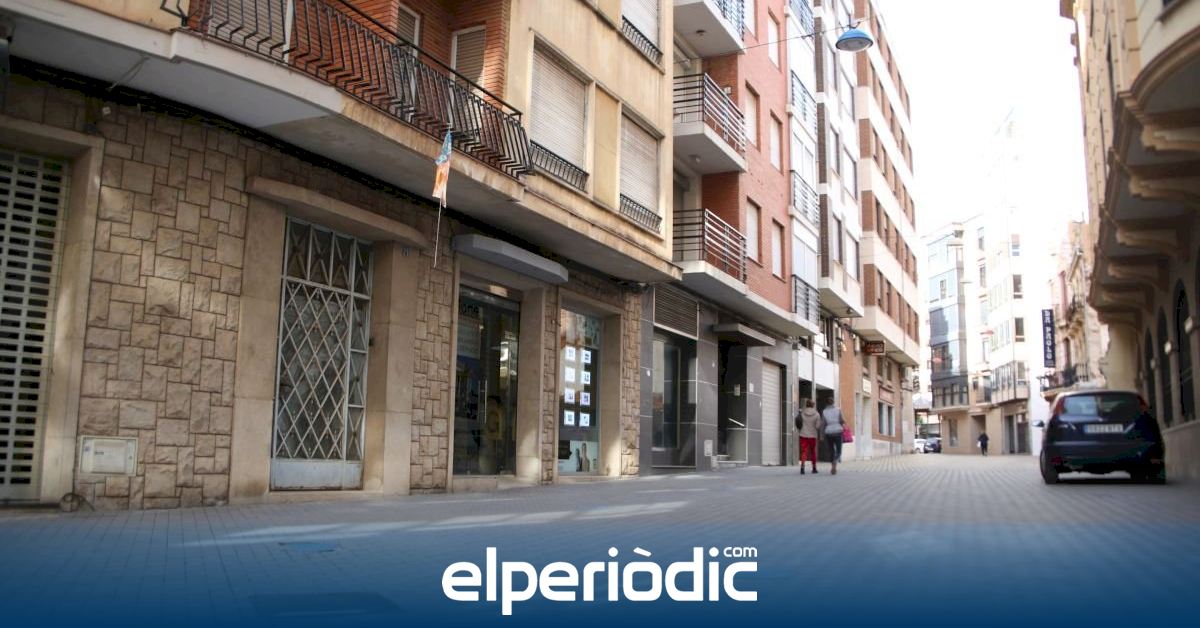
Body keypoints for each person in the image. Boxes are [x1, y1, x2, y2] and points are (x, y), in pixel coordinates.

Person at [795, 399, 822, 474]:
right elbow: (817, 426)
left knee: (804, 451)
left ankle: (802, 467)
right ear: (813, 405)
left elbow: (798, 422)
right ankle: (814, 468)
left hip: (803, 434)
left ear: (806, 405)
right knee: (813, 452)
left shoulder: (802, 413)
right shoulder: (817, 414)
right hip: (812, 435)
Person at [820, 403, 847, 475]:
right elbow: (842, 420)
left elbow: (823, 424)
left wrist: (821, 435)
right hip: (838, 431)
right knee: (839, 451)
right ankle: (835, 460)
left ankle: (832, 465)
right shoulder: (838, 410)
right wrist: (844, 423)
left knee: (831, 450)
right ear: (833, 403)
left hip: (829, 432)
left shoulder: (824, 411)